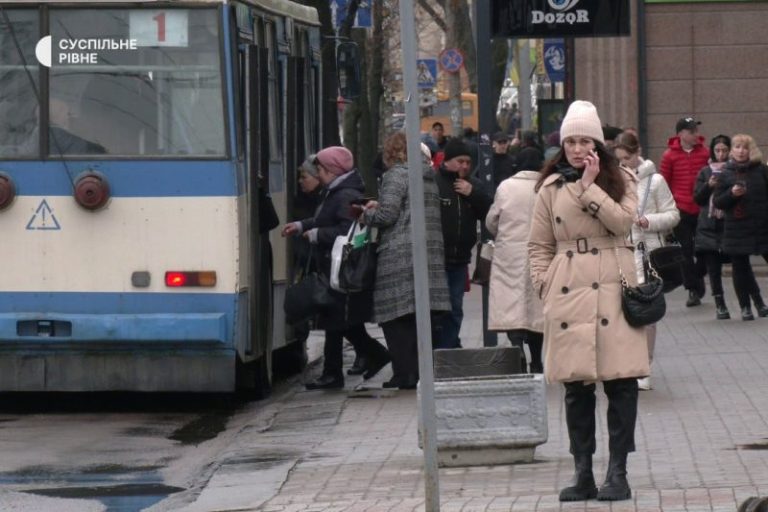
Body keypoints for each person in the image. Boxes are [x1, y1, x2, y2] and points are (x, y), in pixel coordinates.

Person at [528, 100, 649, 502]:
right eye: (571, 142)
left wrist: (589, 187)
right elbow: (538, 245)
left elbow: (621, 223)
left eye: (585, 141)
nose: (578, 149)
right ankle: (582, 472)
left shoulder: (622, 179)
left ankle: (618, 472)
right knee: (576, 388)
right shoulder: (549, 187)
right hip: (568, 290)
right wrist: (544, 285)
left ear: (598, 143)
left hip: (613, 287)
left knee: (621, 384)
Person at [281, 146, 390, 389]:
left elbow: (345, 230)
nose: (318, 174)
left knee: (336, 320)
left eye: (320, 169)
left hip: (340, 268)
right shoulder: (337, 192)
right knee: (338, 320)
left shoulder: (343, 194)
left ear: (331, 170)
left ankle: (341, 370)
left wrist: (317, 234)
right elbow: (324, 219)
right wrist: (301, 226)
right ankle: (353, 364)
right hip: (335, 267)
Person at [359, 134, 450, 389]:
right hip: (427, 254)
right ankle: (419, 373)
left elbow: (387, 215)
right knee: (419, 319)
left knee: (396, 318)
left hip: (399, 255)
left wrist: (365, 214)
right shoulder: (428, 176)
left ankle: (404, 374)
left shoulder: (397, 174)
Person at [614, 132, 679, 391]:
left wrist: (648, 221)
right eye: (619, 160)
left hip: (647, 255)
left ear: (637, 152)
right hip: (620, 254)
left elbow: (673, 214)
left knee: (646, 314)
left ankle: (644, 367)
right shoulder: (614, 180)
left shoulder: (655, 180)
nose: (623, 164)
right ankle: (627, 364)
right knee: (621, 312)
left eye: (627, 158)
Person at [486, 148, 544, 374]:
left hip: (509, 253)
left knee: (512, 302)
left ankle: (517, 347)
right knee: (537, 306)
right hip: (541, 251)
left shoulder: (506, 186)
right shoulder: (547, 187)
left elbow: (492, 220)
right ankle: (537, 360)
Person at [434, 138, 493, 349]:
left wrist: (472, 194)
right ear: (447, 161)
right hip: (436, 260)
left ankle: (449, 350)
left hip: (460, 260)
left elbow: (489, 213)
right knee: (437, 311)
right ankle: (439, 351)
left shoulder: (474, 185)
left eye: (468, 162)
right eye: (460, 161)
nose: (465, 166)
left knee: (455, 308)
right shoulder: (435, 183)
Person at [712, 134, 768, 321]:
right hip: (736, 227)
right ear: (732, 150)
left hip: (761, 226)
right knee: (740, 268)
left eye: (745, 147)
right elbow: (718, 202)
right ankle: (745, 307)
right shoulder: (725, 172)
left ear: (751, 150)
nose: (741, 151)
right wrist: (732, 194)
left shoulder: (761, 170)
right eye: (737, 147)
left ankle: (759, 304)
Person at [659, 116, 710, 307]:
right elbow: (663, 184)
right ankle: (693, 290)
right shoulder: (669, 156)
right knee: (685, 251)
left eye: (696, 131)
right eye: (692, 131)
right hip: (680, 209)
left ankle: (698, 275)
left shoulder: (705, 153)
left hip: (702, 208)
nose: (696, 134)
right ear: (681, 134)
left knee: (705, 249)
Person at [693, 135, 733, 320]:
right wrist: (708, 186)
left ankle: (751, 302)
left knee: (739, 264)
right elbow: (698, 199)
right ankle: (720, 304)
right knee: (713, 269)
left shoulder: (733, 170)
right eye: (718, 150)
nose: (721, 154)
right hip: (708, 225)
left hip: (728, 224)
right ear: (712, 151)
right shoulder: (705, 172)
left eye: (724, 150)